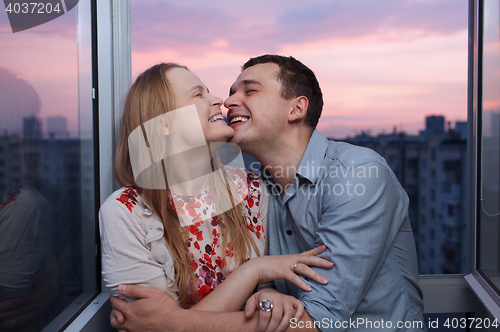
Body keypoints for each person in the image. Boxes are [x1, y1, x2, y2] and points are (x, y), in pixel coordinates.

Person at [111, 56, 426, 332]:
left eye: (249, 90)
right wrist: (269, 288)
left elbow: (318, 320)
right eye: (232, 91)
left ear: (296, 108)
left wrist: (172, 323)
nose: (227, 101)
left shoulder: (356, 174)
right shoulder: (262, 188)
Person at [101, 63, 333, 332]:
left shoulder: (255, 189)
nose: (218, 101)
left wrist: (269, 295)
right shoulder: (125, 212)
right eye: (198, 94)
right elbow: (150, 326)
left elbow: (171, 322)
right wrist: (253, 270)